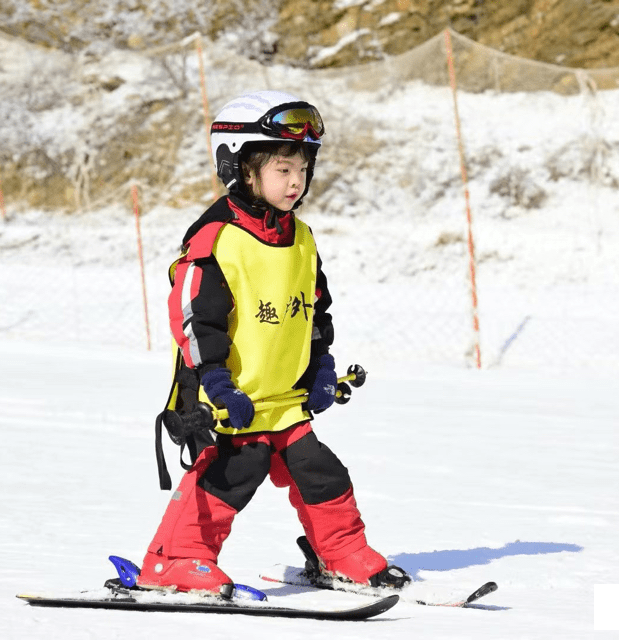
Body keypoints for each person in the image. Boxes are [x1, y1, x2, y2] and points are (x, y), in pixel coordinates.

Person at [137, 90, 410, 598]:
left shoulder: (301, 238)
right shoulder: (215, 240)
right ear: (241, 170)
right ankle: (174, 561)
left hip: (285, 402)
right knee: (230, 477)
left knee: (323, 475)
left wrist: (322, 369)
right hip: (228, 401)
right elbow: (197, 323)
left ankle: (343, 555)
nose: (296, 181)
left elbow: (313, 314)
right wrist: (216, 383)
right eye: (282, 169)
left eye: (302, 169)